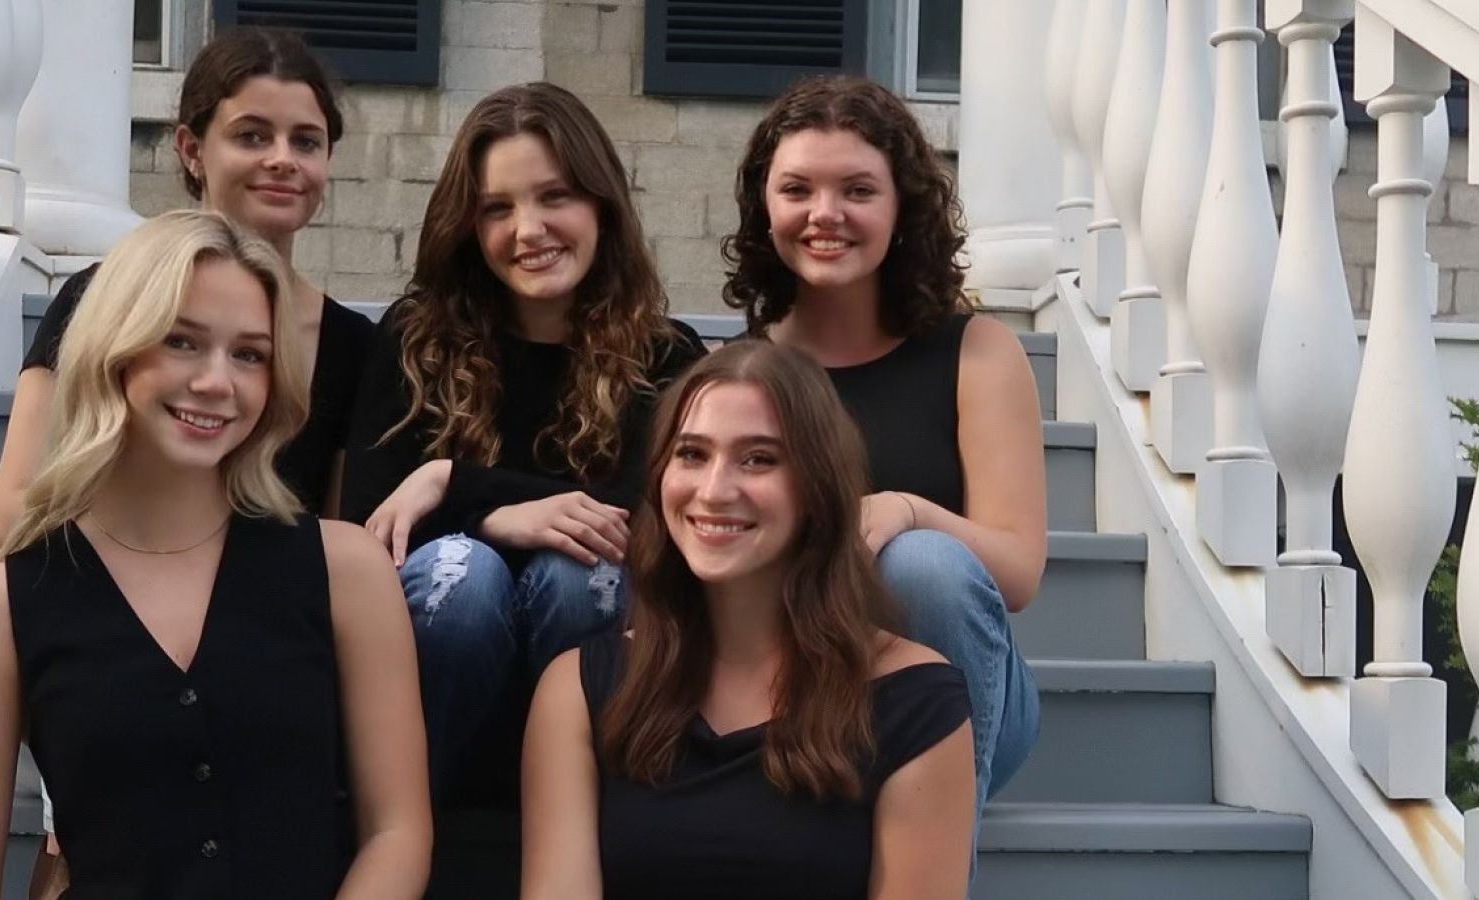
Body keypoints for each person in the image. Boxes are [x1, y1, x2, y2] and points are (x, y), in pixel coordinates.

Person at [0, 211, 431, 900]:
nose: (218, 381)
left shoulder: (347, 571)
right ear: (115, 351)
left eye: (249, 354)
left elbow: (398, 831)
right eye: (182, 342)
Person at [340, 82, 707, 798]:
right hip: (431, 706)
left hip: (598, 695)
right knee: (463, 574)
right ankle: (404, 820)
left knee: (585, 573)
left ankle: (578, 814)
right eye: (497, 208)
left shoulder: (663, 357)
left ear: (601, 203)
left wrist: (454, 484)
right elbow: (366, 528)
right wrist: (494, 518)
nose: (529, 229)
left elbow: (648, 519)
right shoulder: (416, 343)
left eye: (555, 196)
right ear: (468, 227)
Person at [520, 341, 975, 899]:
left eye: (759, 458)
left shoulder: (917, 701)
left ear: (817, 488)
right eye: (691, 454)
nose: (713, 491)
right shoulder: (580, 688)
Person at [723, 74, 1046, 815]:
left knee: (926, 565)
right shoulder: (742, 372)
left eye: (858, 191)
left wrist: (908, 509)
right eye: (798, 189)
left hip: (956, 680)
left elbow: (1019, 574)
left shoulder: (979, 353)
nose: (825, 214)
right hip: (801, 680)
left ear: (903, 208)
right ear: (765, 208)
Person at [0, 26, 373, 544]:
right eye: (252, 136)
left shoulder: (354, 345)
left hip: (273, 616)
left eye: (306, 141)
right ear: (192, 148)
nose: (283, 158)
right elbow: (15, 509)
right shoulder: (97, 298)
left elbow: (338, 539)